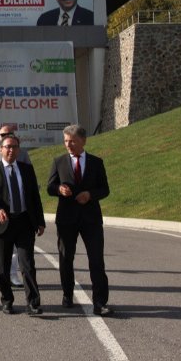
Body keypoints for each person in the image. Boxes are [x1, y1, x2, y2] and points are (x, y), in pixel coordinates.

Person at [48, 124, 113, 316]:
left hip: (91, 219)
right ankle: (67, 294)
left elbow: (105, 189)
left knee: (96, 260)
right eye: (66, 141)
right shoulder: (58, 161)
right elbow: (50, 187)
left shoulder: (96, 162)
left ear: (83, 141)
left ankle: (100, 302)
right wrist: (59, 189)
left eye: (72, 141)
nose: (68, 145)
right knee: (66, 258)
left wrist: (90, 195)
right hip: (66, 219)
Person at [0, 135, 45, 315]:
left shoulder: (26, 169)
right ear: (0, 149)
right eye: (7, 147)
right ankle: (7, 300)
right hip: (2, 223)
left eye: (14, 147)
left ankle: (33, 302)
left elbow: (34, 196)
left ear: (19, 150)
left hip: (24, 222)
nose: (11, 150)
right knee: (2, 267)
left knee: (27, 265)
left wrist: (39, 221)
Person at [0, 126, 31, 287]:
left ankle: (13, 274)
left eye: (8, 134)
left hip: (19, 211)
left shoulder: (23, 155)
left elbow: (29, 183)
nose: (5, 136)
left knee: (19, 253)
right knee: (0, 251)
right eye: (2, 135)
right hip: (0, 212)